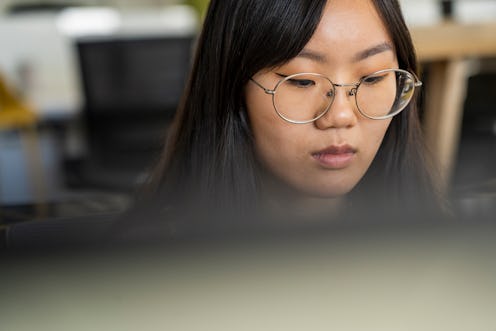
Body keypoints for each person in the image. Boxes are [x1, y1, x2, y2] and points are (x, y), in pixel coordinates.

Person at [134, 0, 441, 231]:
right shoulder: (152, 268)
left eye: (373, 78)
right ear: (232, 86)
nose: (341, 115)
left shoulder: (442, 250)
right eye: (302, 81)